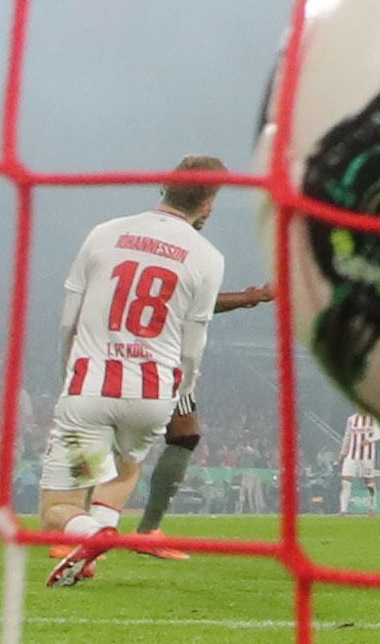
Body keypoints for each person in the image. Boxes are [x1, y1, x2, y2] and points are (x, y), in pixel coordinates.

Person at [43, 159, 232, 588]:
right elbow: (193, 341)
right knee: (126, 468)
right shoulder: (208, 256)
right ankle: (91, 551)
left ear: (164, 184)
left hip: (91, 385)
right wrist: (182, 387)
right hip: (152, 395)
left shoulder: (105, 232)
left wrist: (68, 372)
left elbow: (68, 320)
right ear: (209, 204)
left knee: (57, 507)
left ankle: (89, 534)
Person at [128, 279, 278, 551]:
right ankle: (145, 531)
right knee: (182, 435)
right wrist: (254, 296)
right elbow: (200, 304)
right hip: (161, 364)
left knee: (116, 439)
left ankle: (75, 525)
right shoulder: (186, 263)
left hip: (119, 357)